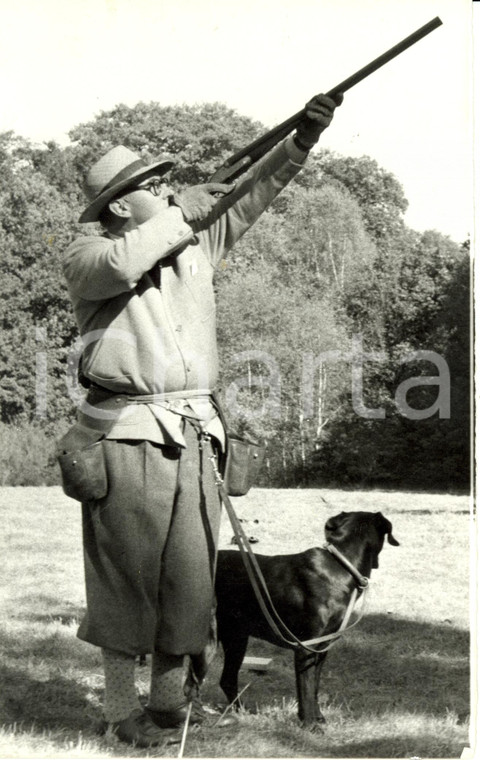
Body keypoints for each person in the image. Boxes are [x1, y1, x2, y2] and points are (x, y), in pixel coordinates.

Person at [61, 92, 342, 747]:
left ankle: (164, 709)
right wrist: (179, 212)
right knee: (127, 587)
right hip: (125, 435)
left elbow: (253, 194)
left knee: (189, 585)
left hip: (195, 436)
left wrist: (301, 139)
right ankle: (116, 712)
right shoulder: (88, 254)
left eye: (165, 183)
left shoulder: (192, 241)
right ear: (122, 205)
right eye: (152, 185)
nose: (167, 187)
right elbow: (122, 263)